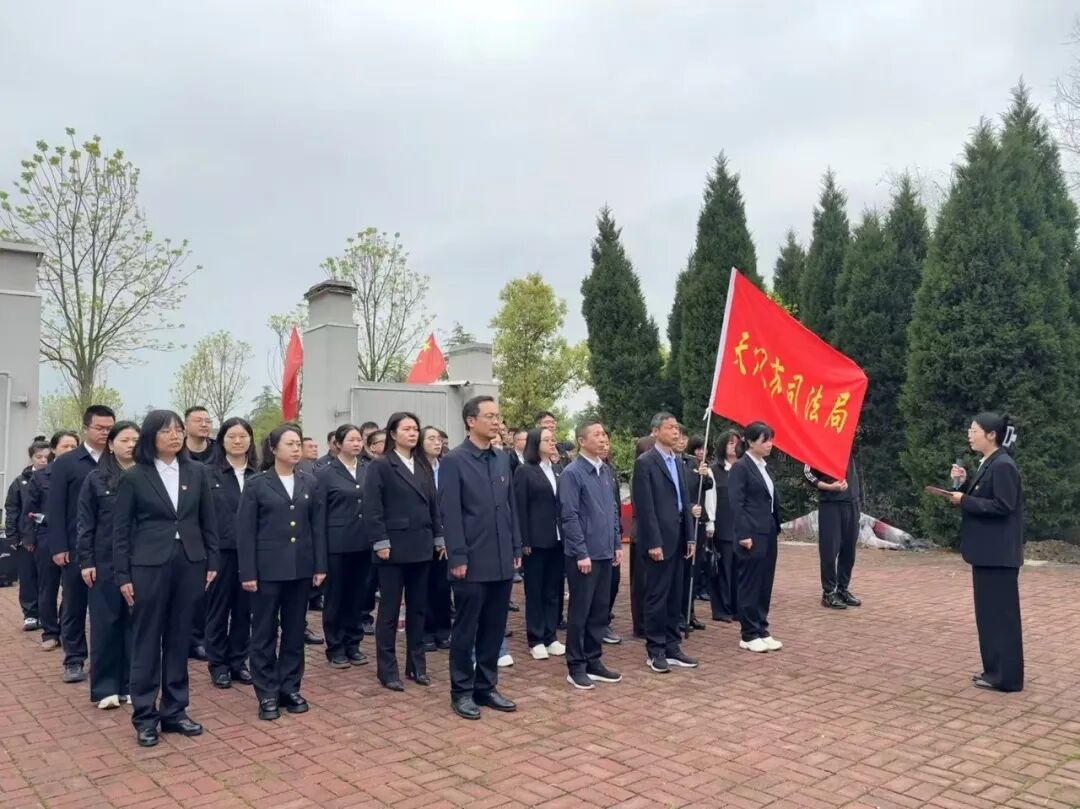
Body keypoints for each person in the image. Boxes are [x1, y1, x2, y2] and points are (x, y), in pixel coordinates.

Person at [113, 410, 219, 747]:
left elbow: (208, 520)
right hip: (148, 564)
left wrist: (212, 560)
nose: (174, 435)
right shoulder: (135, 476)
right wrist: (123, 574)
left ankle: (175, 710)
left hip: (189, 562)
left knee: (178, 637)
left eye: (178, 430)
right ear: (151, 436)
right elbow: (121, 532)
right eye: (166, 430)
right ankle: (145, 715)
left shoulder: (196, 472)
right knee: (147, 639)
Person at [237, 423, 327, 721]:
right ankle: (266, 692)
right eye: (289, 443)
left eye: (298, 443)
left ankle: (290, 687)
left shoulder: (309, 481)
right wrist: (248, 571)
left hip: (300, 569)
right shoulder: (257, 484)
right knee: (264, 632)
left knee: (294, 631)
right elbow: (245, 531)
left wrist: (320, 565)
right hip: (266, 570)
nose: (296, 448)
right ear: (274, 449)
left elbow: (317, 527)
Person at [441, 396, 521, 720]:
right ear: (470, 421)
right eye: (489, 416)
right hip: (471, 560)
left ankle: (486, 686)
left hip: (501, 558)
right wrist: (458, 557)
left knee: (494, 627)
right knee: (466, 629)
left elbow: (510, 506)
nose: (496, 421)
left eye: (497, 416)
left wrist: (516, 548)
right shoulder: (454, 461)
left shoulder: (502, 459)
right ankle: (461, 691)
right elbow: (450, 513)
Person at [365, 412, 442, 690]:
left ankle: (416, 665)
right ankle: (387, 670)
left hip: (421, 545)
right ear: (393, 434)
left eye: (415, 429)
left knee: (418, 608)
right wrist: (380, 541)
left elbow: (433, 504)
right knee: (388, 612)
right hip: (393, 548)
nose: (412, 433)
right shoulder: (381, 465)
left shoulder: (422, 464)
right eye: (407, 429)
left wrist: (438, 537)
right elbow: (372, 507)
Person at [948, 412, 1024, 692]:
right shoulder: (990, 462)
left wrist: (965, 500)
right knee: (990, 617)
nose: (970, 435)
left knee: (1001, 618)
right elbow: (986, 496)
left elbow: (1003, 505)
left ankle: (1007, 678)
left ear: (991, 435)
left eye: (975, 430)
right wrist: (964, 485)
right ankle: (994, 671)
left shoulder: (1003, 465)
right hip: (988, 554)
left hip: (998, 556)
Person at [47, 404, 116, 684]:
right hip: (76, 546)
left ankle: (108, 659)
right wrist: (58, 546)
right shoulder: (67, 462)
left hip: (110, 547)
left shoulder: (119, 459)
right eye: (99, 428)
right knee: (74, 603)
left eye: (110, 428)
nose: (105, 433)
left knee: (109, 606)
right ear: (86, 428)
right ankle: (74, 659)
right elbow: (56, 506)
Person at [76, 420, 139, 709]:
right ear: (111, 445)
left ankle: (131, 683)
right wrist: (86, 560)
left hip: (140, 561)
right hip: (104, 561)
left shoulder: (146, 476)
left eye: (135, 440)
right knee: (106, 623)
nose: (131, 445)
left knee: (135, 624)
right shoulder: (96, 479)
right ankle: (105, 688)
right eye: (124, 440)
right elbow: (85, 523)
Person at [631, 413, 700, 673]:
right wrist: (653, 542)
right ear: (656, 431)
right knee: (657, 596)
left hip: (680, 536)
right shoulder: (646, 463)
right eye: (669, 427)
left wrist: (690, 536)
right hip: (659, 540)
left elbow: (685, 501)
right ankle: (656, 649)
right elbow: (645, 507)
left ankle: (673, 646)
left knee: (675, 595)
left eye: (677, 428)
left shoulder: (679, 461)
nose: (675, 432)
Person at [559, 421, 623, 690]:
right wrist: (580, 552)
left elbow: (613, 510)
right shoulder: (572, 473)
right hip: (584, 555)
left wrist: (617, 543)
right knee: (580, 611)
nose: (603, 438)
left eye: (604, 434)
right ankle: (576, 666)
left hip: (605, 552)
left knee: (599, 610)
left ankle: (593, 660)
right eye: (596, 435)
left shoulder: (605, 470)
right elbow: (569, 515)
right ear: (581, 441)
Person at [205, 417, 258, 689]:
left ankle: (238, 661)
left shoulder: (258, 475)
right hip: (219, 553)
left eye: (243, 436)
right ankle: (218, 664)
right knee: (218, 609)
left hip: (251, 554)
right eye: (231, 436)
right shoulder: (207, 473)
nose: (238, 441)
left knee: (244, 610)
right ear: (221, 440)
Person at [316, 423, 372, 669]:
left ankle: (353, 643)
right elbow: (320, 515)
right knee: (336, 597)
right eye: (351, 440)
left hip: (363, 544)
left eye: (359, 439)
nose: (357, 443)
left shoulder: (368, 469)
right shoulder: (325, 473)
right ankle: (336, 646)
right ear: (338, 444)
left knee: (358, 597)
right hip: (337, 545)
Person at [728, 421, 782, 654]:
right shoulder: (741, 468)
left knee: (764, 582)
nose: (769, 444)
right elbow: (736, 503)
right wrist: (743, 534)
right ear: (750, 442)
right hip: (750, 533)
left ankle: (761, 628)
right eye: (764, 440)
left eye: (771, 439)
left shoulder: (763, 466)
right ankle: (748, 633)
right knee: (750, 583)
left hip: (767, 530)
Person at [514, 426, 565, 660]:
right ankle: (535, 639)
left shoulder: (557, 470)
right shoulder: (525, 471)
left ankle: (550, 635)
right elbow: (520, 507)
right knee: (535, 591)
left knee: (553, 590)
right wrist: (523, 540)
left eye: (553, 439)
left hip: (557, 539)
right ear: (535, 444)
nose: (552, 443)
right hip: (535, 540)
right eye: (546, 440)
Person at [27, 431, 80, 650]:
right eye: (65, 446)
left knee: (71, 589)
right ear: (54, 449)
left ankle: (67, 629)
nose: (69, 450)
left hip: (74, 537)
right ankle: (50, 632)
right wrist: (29, 539)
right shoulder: (41, 476)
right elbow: (30, 510)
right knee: (48, 587)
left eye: (74, 446)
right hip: (47, 537)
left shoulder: (82, 474)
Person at [805, 454, 862, 610]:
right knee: (829, 549)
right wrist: (830, 487)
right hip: (831, 504)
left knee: (849, 550)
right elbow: (808, 474)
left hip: (852, 503)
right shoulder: (816, 448)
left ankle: (842, 589)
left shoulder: (846, 445)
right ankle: (829, 592)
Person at [4, 438, 50, 631]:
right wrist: (12, 536)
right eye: (39, 457)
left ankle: (47, 615)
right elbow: (12, 509)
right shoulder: (20, 481)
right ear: (31, 458)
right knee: (28, 577)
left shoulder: (55, 478)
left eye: (47, 457)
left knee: (47, 579)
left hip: (47, 536)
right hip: (26, 537)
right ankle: (30, 614)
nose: (43, 460)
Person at [703, 429, 741, 622]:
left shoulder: (743, 468)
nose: (734, 446)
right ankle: (722, 609)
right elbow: (710, 498)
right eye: (730, 442)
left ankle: (737, 606)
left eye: (737, 442)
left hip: (741, 526)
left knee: (739, 569)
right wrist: (710, 523)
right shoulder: (714, 470)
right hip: (722, 525)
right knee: (723, 568)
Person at [421, 426, 452, 652]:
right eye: (431, 438)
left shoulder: (447, 467)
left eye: (439, 439)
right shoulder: (416, 469)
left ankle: (443, 630)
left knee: (442, 586)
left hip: (447, 534)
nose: (437, 442)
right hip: (423, 535)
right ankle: (426, 632)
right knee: (424, 586)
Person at [681, 433, 712, 632]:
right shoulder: (681, 464)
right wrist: (690, 507)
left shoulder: (697, 464)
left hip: (700, 522)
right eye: (697, 448)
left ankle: (690, 612)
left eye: (704, 448)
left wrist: (705, 475)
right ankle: (680, 614)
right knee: (685, 571)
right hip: (686, 521)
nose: (701, 452)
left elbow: (708, 486)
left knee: (696, 568)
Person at [628, 435, 655, 639]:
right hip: (642, 533)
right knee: (641, 583)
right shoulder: (640, 473)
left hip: (651, 532)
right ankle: (641, 624)